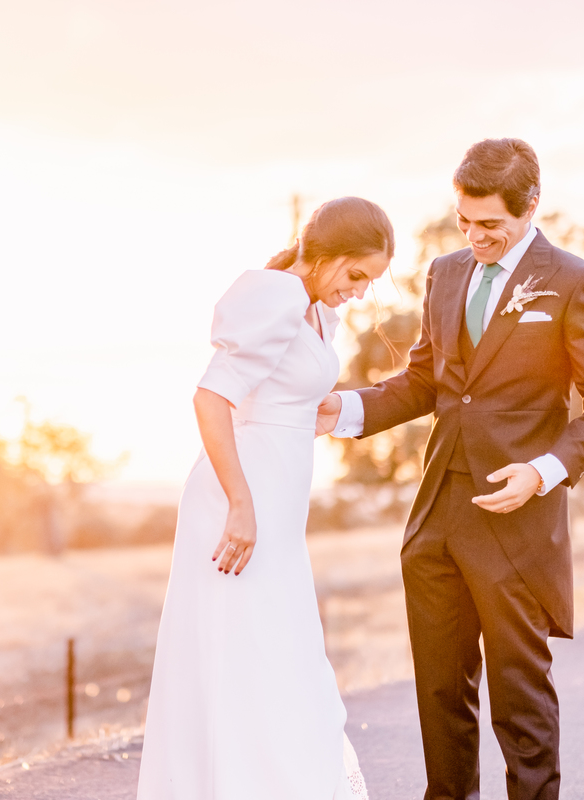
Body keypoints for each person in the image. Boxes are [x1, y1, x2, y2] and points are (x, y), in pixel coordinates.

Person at [318, 138, 584, 800]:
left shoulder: (575, 282)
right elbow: (425, 383)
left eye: (489, 224)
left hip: (516, 523)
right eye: (464, 221)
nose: (474, 236)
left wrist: (545, 470)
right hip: (436, 520)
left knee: (520, 709)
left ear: (530, 208)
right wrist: (342, 410)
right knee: (439, 699)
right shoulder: (444, 273)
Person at [137, 197, 395, 800]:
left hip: (277, 511)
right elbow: (211, 400)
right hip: (238, 508)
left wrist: (327, 411)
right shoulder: (277, 295)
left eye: (370, 283)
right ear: (326, 255)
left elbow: (289, 397)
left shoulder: (314, 312)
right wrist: (241, 503)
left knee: (278, 659)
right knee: (247, 659)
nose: (358, 293)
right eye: (355, 276)